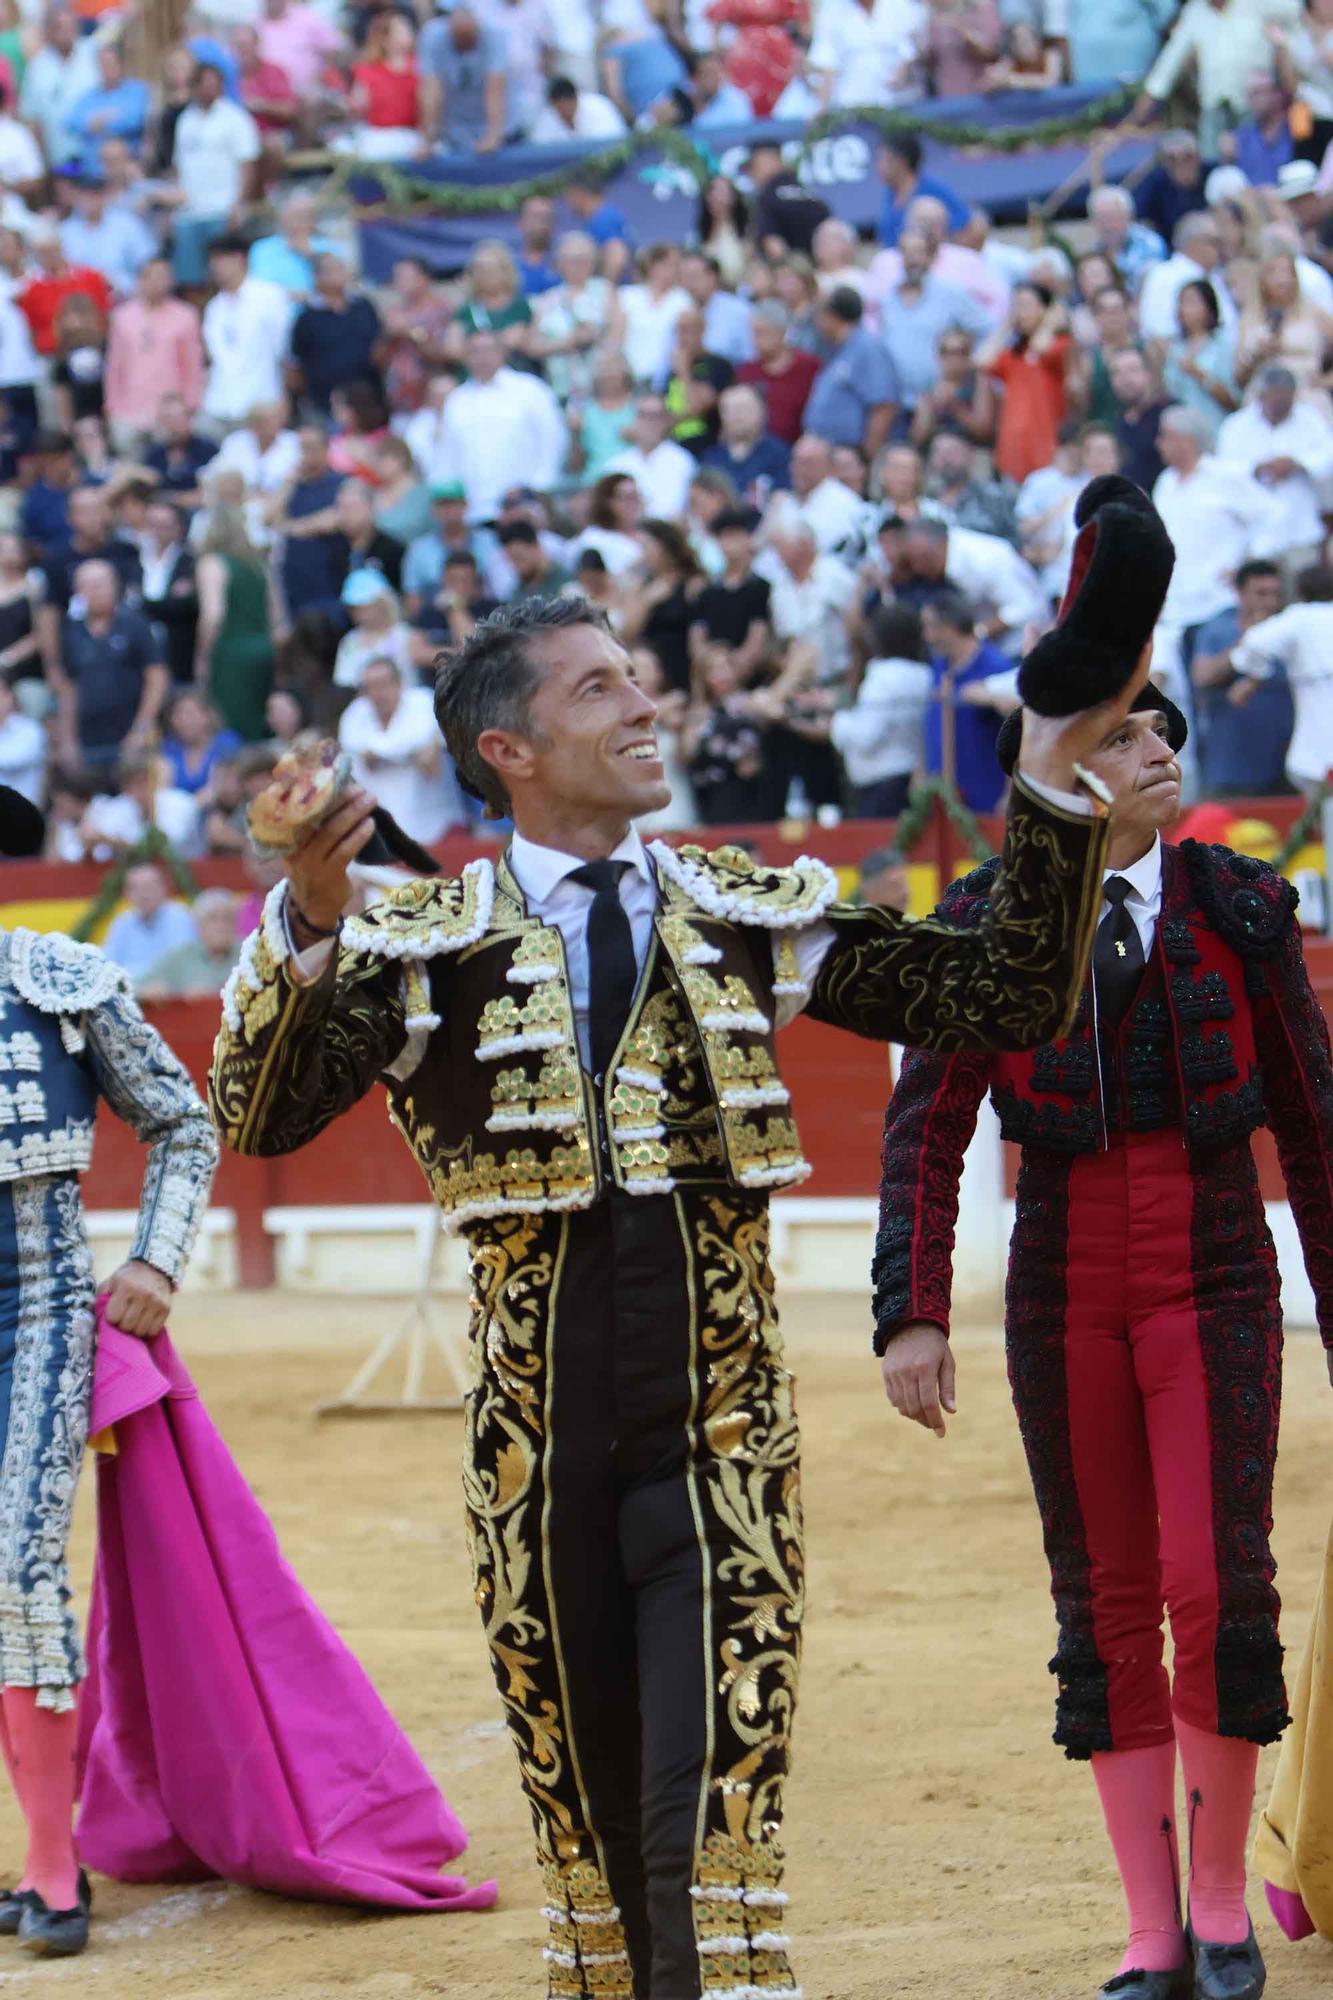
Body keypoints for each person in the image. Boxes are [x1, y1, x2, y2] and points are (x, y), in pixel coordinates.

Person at [211, 589, 1146, 1999]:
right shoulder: (421, 946)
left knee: (706, 1844)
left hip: (724, 1452)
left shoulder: (742, 915)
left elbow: (1010, 996)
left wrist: (1050, 767)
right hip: (531, 1467)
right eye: (598, 690)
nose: (648, 705)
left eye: (638, 679)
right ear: (506, 749)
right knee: (591, 1857)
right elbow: (262, 1117)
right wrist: (313, 918)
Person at [875, 673, 1333, 2000]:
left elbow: (1309, 1122)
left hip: (1215, 1278)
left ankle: (1216, 1906)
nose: (1158, 752)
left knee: (1215, 1583)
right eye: (1122, 736)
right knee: (1109, 1603)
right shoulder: (988, 922)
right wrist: (911, 1309)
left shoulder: (1236, 910)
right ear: (1062, 772)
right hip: (1060, 1288)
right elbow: (927, 1128)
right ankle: (1148, 1934)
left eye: (1162, 732)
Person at [0, 787, 216, 1962]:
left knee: (17, 1564)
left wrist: (155, 1257)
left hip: (33, 1309)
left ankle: (48, 1855)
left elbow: (182, 1123)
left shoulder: (53, 980)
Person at [336, 652, 465, 845]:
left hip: (432, 829)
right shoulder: (355, 714)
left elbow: (426, 745)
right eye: (368, 687)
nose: (376, 693)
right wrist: (404, 754)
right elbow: (357, 754)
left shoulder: (423, 702)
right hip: (376, 832)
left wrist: (380, 754)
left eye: (381, 684)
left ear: (399, 683)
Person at [1190, 557, 1294, 795]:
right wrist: (1249, 640)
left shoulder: (1289, 627)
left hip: (1283, 765)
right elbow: (1202, 677)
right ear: (1239, 593)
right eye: (1261, 593)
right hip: (1231, 767)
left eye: (1275, 594)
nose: (1270, 602)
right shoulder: (1218, 628)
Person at [53, 559, 166, 775]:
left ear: (115, 585)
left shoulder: (135, 624)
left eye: (100, 584)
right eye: (86, 585)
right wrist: (68, 739)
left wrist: (141, 728)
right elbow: (69, 688)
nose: (94, 591)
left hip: (129, 733)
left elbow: (157, 677)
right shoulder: (71, 631)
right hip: (88, 738)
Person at [1230, 561, 1333, 794]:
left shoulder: (1299, 617)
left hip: (1315, 750)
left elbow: (1254, 642)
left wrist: (1254, 677)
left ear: (1300, 593)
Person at [830, 601, 932, 817]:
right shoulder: (924, 673)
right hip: (907, 776)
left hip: (881, 787)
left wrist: (837, 721)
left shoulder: (883, 675)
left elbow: (866, 737)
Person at [194, 506, 277, 741]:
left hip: (231, 653)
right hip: (263, 649)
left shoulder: (212, 563)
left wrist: (202, 657)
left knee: (231, 726)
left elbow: (214, 614)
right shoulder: (258, 565)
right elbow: (276, 616)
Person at [802, 285, 898, 457]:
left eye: (820, 313)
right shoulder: (835, 348)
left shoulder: (867, 348)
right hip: (826, 451)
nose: (816, 320)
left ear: (833, 316)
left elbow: (883, 406)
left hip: (849, 454)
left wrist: (867, 457)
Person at [289, 254, 382, 417]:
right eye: (332, 270)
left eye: (341, 268)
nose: (339, 274)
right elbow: (296, 366)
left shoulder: (364, 307)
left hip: (368, 403)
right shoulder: (307, 318)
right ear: (317, 277)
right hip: (325, 406)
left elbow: (378, 348)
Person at [136, 886, 241, 999]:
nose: (221, 926)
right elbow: (134, 985)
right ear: (198, 925)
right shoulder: (179, 957)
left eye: (227, 918)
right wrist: (150, 991)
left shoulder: (248, 953)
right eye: (213, 918)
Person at [104, 861, 202, 978]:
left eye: (149, 887)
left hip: (172, 989)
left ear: (163, 889)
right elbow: (108, 964)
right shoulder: (122, 922)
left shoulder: (179, 916)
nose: (144, 894)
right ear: (127, 894)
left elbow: (181, 963)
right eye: (136, 889)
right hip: (133, 989)